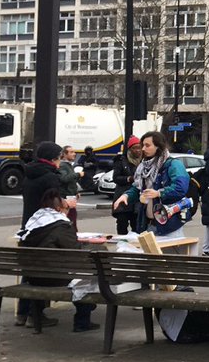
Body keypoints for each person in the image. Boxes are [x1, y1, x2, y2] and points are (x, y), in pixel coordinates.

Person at [17, 188, 99, 332]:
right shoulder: (61, 226)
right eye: (67, 207)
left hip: (32, 277)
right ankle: (82, 321)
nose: (68, 211)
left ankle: (32, 315)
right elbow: (76, 252)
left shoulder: (31, 225)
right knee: (88, 276)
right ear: (58, 208)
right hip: (55, 278)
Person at [16, 141, 75, 326]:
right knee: (43, 268)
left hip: (29, 225)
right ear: (53, 159)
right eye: (59, 158)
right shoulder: (50, 177)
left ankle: (23, 313)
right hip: (46, 227)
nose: (60, 162)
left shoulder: (30, 173)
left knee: (30, 268)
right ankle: (36, 315)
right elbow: (52, 203)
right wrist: (66, 204)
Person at [112, 131, 190, 240]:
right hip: (148, 222)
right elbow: (138, 187)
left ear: (159, 146)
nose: (143, 149)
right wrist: (126, 196)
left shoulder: (173, 164)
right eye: (142, 145)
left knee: (168, 254)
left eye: (147, 145)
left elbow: (181, 188)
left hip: (169, 224)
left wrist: (159, 193)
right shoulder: (144, 166)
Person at [110, 136, 142, 235]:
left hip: (137, 199)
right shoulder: (121, 161)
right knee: (122, 225)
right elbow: (116, 178)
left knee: (137, 226)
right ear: (129, 149)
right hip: (123, 197)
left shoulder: (144, 161)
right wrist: (128, 179)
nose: (137, 150)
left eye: (139, 147)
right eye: (134, 148)